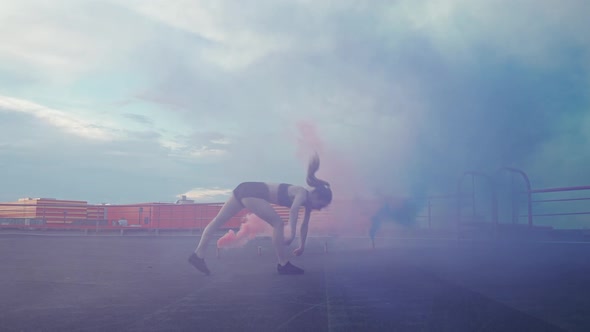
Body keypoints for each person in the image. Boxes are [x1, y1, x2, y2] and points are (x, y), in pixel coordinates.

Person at [188, 153, 332, 275]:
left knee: (218, 221)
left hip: (244, 188)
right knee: (278, 223)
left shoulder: (307, 203)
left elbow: (305, 225)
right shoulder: (301, 192)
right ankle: (283, 264)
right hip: (253, 192)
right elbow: (294, 210)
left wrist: (302, 246)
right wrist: (292, 233)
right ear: (317, 196)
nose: (319, 209)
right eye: (321, 205)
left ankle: (198, 255)